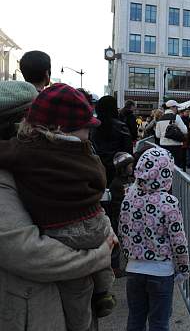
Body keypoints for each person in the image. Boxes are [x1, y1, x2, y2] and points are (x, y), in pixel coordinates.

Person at [0, 80, 116, 331]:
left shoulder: (30, 153)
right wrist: (99, 254)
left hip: (48, 301)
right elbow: (26, 252)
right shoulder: (14, 168)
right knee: (80, 303)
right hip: (36, 308)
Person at [119, 146, 190, 330]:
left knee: (135, 319)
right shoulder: (168, 202)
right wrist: (183, 268)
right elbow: (178, 241)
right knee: (159, 322)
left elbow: (123, 231)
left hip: (134, 269)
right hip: (161, 271)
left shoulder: (129, 198)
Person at [91, 95, 133, 186]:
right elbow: (128, 149)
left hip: (96, 166)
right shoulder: (121, 126)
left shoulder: (93, 126)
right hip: (117, 168)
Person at [156, 99, 188, 168]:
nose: (177, 109)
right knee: (175, 167)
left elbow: (157, 135)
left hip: (163, 146)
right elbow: (185, 131)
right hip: (175, 146)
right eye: (176, 107)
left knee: (165, 166)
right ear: (172, 107)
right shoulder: (176, 117)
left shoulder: (160, 118)